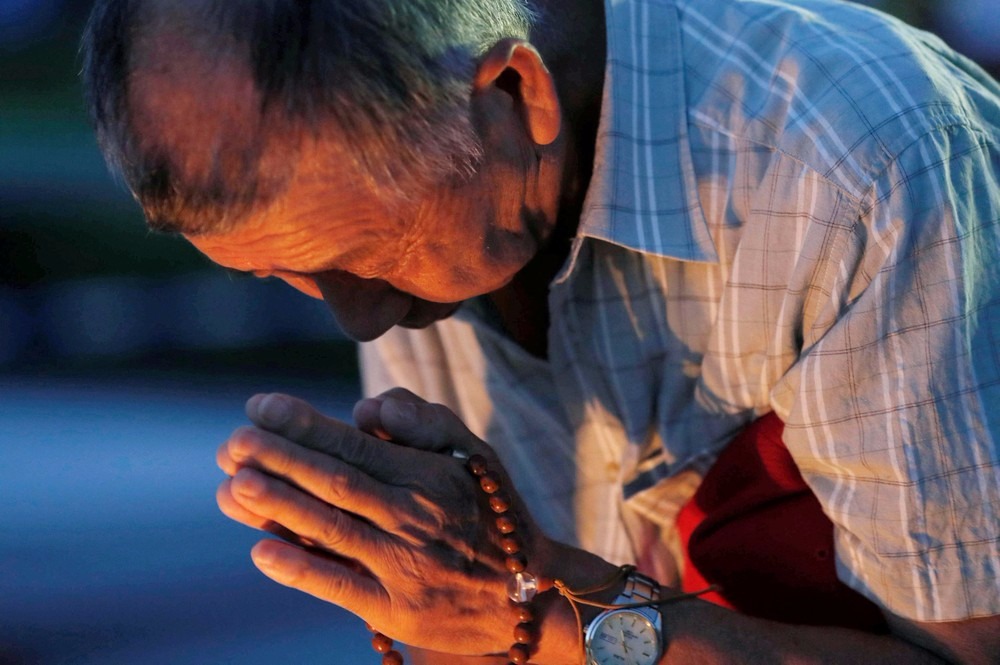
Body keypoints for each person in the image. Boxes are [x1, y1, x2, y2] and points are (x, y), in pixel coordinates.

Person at [81, 0, 1000, 662]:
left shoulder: (857, 171)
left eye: (365, 255)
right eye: (277, 272)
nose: (357, 316)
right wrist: (438, 605)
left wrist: (542, 612)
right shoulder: (428, 189)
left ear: (516, 92)